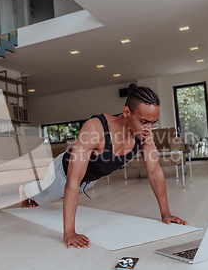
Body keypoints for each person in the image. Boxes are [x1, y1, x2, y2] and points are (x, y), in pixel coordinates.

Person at [19, 84, 188, 249]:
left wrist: (166, 214)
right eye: (144, 121)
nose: (149, 129)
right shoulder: (95, 128)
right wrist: (69, 232)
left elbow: (154, 172)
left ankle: (32, 192)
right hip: (62, 172)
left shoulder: (144, 135)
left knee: (54, 197)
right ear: (127, 112)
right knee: (43, 198)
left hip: (88, 180)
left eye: (153, 123)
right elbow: (73, 180)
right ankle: (25, 190)